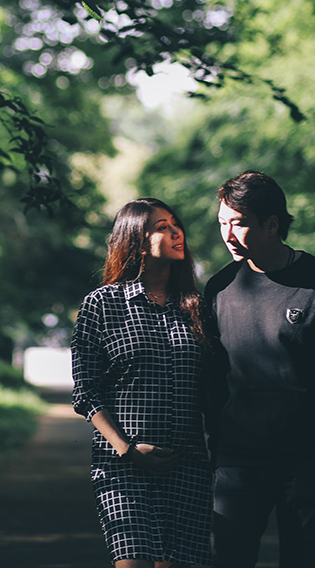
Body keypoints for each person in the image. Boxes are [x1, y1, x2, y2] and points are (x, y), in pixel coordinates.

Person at [202, 171, 315, 568]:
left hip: (307, 460)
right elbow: (207, 377)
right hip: (236, 461)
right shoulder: (219, 289)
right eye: (222, 224)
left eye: (239, 223)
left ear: (272, 224)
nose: (228, 235)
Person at [72, 198, 213, 568]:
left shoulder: (197, 307)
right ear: (135, 239)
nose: (175, 232)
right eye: (161, 227)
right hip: (123, 466)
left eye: (175, 224)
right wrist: (127, 448)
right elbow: (85, 391)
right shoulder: (103, 304)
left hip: (189, 465)